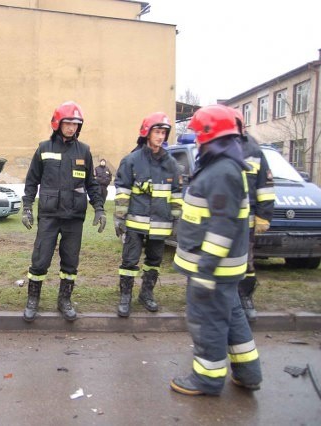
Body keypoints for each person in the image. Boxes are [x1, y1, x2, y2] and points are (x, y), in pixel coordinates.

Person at [171, 104, 262, 396]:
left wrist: (205, 271)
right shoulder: (222, 165)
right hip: (225, 270)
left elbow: (222, 229)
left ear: (212, 135)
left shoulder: (222, 171)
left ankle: (207, 379)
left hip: (213, 269)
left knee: (208, 320)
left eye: (198, 133)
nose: (196, 139)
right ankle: (248, 373)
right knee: (233, 317)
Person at [21, 101, 106, 322]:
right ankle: (33, 300)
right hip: (49, 216)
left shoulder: (84, 151)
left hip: (73, 219)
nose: (71, 128)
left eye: (76, 124)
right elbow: (31, 181)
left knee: (70, 263)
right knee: (40, 261)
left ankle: (64, 300)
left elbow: (92, 184)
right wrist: (27, 207)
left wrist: (99, 208)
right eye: (68, 123)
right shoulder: (44, 148)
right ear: (57, 123)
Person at [113, 112, 182, 317]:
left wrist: (176, 218)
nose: (161, 136)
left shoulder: (171, 164)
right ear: (147, 133)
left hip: (161, 222)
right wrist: (120, 217)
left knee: (154, 261)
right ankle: (125, 297)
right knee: (129, 262)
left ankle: (146, 294)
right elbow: (123, 189)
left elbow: (176, 192)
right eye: (157, 132)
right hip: (135, 222)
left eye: (163, 132)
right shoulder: (132, 160)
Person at [231, 107, 275, 322]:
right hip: (225, 219)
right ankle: (227, 299)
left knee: (246, 261)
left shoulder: (254, 150)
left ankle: (245, 296)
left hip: (246, 221)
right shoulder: (220, 148)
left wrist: (264, 216)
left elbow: (265, 187)